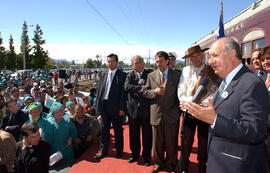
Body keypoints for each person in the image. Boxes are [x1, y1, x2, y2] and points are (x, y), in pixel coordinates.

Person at [181, 38, 269, 173]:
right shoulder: (225, 81)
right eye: (209, 57)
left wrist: (215, 120)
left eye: (215, 56)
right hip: (219, 162)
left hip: (236, 166)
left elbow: (255, 130)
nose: (210, 62)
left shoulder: (252, 83)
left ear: (232, 54)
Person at [143, 51, 181, 172]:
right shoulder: (151, 76)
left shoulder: (177, 75)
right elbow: (145, 92)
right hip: (156, 114)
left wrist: (177, 111)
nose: (158, 64)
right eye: (157, 61)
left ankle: (171, 163)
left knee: (171, 142)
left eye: (161, 61)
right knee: (157, 142)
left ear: (167, 61)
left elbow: (180, 95)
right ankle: (158, 163)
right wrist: (154, 91)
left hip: (172, 114)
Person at [177, 45, 211, 173]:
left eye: (198, 56)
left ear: (202, 56)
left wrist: (201, 104)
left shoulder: (210, 70)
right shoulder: (185, 70)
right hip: (189, 110)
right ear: (189, 59)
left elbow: (213, 92)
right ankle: (184, 168)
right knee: (186, 141)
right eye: (192, 57)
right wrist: (188, 103)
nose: (196, 59)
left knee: (203, 142)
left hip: (204, 111)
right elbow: (181, 90)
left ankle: (202, 168)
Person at [95, 53, 126, 159]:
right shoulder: (103, 74)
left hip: (116, 107)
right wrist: (97, 105)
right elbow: (100, 90)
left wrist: (122, 108)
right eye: (108, 61)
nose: (110, 63)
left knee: (117, 130)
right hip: (104, 106)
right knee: (104, 130)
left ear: (117, 62)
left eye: (112, 61)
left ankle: (119, 151)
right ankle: (103, 151)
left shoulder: (122, 75)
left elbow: (123, 93)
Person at [124, 55, 152, 166]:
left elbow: (150, 87)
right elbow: (126, 87)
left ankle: (147, 157)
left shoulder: (149, 74)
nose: (138, 65)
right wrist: (141, 89)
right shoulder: (129, 75)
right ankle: (134, 155)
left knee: (147, 135)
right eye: (135, 63)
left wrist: (134, 90)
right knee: (133, 134)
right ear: (132, 65)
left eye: (140, 62)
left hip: (146, 110)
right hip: (133, 110)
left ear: (143, 63)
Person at [44, 102, 77, 167]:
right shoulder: (49, 123)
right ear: (53, 113)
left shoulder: (67, 121)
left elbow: (74, 131)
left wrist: (71, 138)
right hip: (55, 152)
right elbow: (47, 138)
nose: (59, 113)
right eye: (56, 112)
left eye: (61, 111)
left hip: (67, 151)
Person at [260, 45, 270, 173]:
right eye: (263, 60)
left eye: (269, 58)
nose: (266, 62)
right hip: (262, 133)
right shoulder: (262, 78)